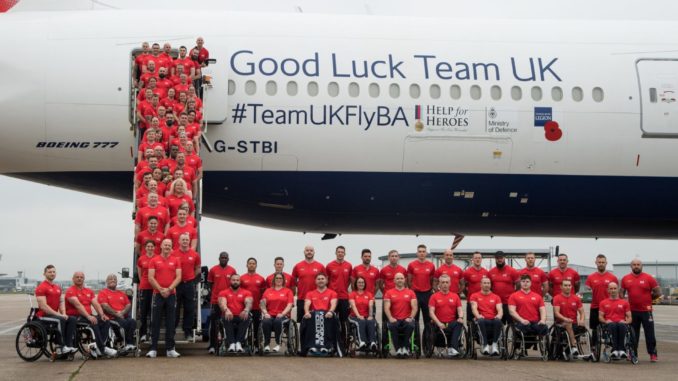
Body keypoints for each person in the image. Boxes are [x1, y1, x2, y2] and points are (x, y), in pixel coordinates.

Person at [65, 271, 117, 357]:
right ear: (73, 279)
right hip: (76, 316)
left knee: (105, 321)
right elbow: (78, 305)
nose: (79, 278)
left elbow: (96, 304)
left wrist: (101, 314)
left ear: (84, 279)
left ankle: (99, 347)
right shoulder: (70, 291)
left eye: (81, 277)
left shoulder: (89, 291)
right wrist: (88, 316)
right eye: (77, 277)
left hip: (87, 316)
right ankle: (102, 348)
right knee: (94, 321)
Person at [147, 239, 182, 358]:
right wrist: (161, 289)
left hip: (171, 294)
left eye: (169, 245)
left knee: (171, 322)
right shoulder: (154, 260)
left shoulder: (176, 260)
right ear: (161, 246)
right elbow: (151, 278)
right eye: (165, 245)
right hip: (158, 294)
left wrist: (169, 289)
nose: (167, 247)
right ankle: (153, 349)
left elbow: (179, 277)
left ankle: (170, 349)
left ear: (171, 247)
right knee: (155, 321)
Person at [621, 258, 661, 362]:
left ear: (641, 266)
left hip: (646, 311)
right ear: (631, 266)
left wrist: (648, 299)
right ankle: (633, 353)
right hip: (632, 311)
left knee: (650, 333)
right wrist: (625, 303)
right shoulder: (625, 278)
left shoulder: (649, 278)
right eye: (634, 264)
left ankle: (653, 353)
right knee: (633, 334)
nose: (636, 266)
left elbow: (658, 292)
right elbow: (621, 293)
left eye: (638, 264)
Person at [35, 265, 77, 355]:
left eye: (54, 272)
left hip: (54, 315)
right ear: (44, 273)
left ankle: (68, 345)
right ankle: (60, 346)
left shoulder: (57, 287)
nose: (52, 273)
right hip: (43, 316)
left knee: (72, 319)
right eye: (50, 272)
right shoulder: (41, 287)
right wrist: (59, 315)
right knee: (60, 319)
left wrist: (64, 313)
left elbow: (61, 302)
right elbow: (43, 307)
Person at [171, 233, 201, 341]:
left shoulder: (195, 254)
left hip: (189, 284)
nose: (184, 242)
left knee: (189, 308)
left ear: (189, 241)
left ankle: (187, 332)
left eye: (186, 240)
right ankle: (172, 330)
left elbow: (198, 268)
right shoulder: (173, 254)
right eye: (183, 240)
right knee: (175, 308)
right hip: (176, 284)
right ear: (178, 241)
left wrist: (191, 277)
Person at [207, 252, 237, 354]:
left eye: (225, 257)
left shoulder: (232, 270)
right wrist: (216, 295)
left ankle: (229, 343)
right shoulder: (213, 269)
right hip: (216, 301)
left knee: (228, 322)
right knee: (214, 324)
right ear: (219, 258)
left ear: (228, 259)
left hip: (229, 302)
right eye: (222, 257)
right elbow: (210, 284)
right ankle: (212, 345)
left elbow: (234, 284)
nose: (223, 259)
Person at [98, 274, 136, 352]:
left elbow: (128, 304)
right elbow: (104, 306)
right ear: (106, 282)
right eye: (110, 279)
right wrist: (116, 314)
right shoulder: (103, 292)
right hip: (111, 318)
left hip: (122, 316)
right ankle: (123, 343)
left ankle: (129, 344)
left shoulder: (121, 293)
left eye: (115, 279)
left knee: (132, 321)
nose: (113, 280)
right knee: (123, 322)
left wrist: (122, 313)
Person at [585, 254, 618, 343]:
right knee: (595, 329)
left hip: (609, 307)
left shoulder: (612, 277)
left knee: (610, 327)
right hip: (595, 306)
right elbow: (587, 289)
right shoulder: (590, 277)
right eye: (599, 262)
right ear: (596, 263)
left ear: (606, 263)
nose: (601, 264)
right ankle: (594, 349)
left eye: (603, 262)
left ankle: (612, 347)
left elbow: (616, 292)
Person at [428, 274, 464, 357]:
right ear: (439, 284)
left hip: (451, 323)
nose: (445, 284)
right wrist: (438, 323)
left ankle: (453, 348)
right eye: (443, 282)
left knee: (459, 323)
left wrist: (460, 317)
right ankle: (451, 348)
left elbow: (460, 309)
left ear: (450, 283)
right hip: (438, 323)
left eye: (447, 282)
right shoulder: (434, 296)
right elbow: (431, 312)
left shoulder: (455, 296)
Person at [302, 273, 338, 355]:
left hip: (327, 314)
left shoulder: (332, 293)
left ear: (326, 280)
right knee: (310, 318)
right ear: (315, 281)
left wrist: (330, 311)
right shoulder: (310, 293)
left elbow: (333, 304)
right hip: (314, 314)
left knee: (326, 317)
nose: (320, 280)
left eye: (322, 279)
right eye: (318, 279)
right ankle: (312, 345)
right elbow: (307, 304)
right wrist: (307, 312)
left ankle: (327, 346)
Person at [384, 273, 417, 357]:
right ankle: (398, 349)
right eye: (398, 279)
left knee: (410, 325)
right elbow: (386, 308)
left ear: (404, 280)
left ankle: (405, 347)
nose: (400, 280)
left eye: (401, 278)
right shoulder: (389, 293)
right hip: (394, 319)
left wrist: (411, 317)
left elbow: (414, 307)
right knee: (392, 326)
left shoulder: (411, 292)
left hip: (407, 319)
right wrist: (390, 318)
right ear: (394, 281)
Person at [218, 274, 253, 353]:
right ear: (230, 281)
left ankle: (238, 343)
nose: (235, 282)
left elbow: (249, 302)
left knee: (247, 317)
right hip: (229, 315)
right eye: (233, 280)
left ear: (240, 282)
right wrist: (226, 310)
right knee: (226, 318)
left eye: (237, 280)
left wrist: (246, 310)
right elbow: (222, 303)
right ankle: (232, 343)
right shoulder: (223, 292)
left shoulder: (246, 292)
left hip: (241, 315)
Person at [260, 273, 294, 353]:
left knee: (278, 321)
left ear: (283, 280)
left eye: (280, 278)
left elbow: (289, 305)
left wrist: (282, 314)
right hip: (270, 315)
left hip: (283, 316)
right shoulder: (268, 291)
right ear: (274, 280)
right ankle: (266, 344)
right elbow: (262, 303)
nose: (279, 280)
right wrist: (265, 313)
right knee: (265, 321)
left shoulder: (288, 291)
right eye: (277, 278)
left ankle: (278, 344)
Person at [470, 277, 503, 356]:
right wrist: (478, 316)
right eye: (484, 283)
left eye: (488, 283)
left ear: (490, 285)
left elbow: (500, 309)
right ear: (481, 285)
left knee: (498, 321)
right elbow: (474, 308)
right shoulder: (474, 296)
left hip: (493, 319)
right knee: (480, 320)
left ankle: (494, 345)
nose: (486, 285)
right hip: (482, 319)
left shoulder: (496, 297)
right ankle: (485, 345)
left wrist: (499, 316)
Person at [407, 244, 435, 336]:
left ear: (426, 253)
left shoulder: (431, 265)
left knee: (428, 319)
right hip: (415, 294)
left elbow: (431, 280)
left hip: (427, 294)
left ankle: (427, 340)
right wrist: (412, 291)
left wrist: (429, 290)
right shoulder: (411, 265)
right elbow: (409, 280)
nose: (422, 253)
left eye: (423, 251)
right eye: (420, 252)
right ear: (417, 253)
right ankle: (415, 342)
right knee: (415, 319)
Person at [552, 279, 586, 356]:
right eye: (565, 285)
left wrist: (582, 320)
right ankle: (574, 347)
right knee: (568, 323)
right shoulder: (557, 298)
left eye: (569, 285)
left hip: (574, 323)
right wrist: (565, 319)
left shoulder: (576, 298)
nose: (568, 287)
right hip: (561, 323)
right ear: (561, 287)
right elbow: (556, 313)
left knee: (580, 325)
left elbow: (582, 312)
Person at [509, 275, 548, 342]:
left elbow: (542, 310)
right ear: (520, 283)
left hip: (535, 322)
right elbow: (512, 311)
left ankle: (532, 338)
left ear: (531, 283)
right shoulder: (514, 296)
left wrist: (543, 320)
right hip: (521, 322)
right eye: (523, 281)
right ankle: (527, 341)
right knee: (525, 328)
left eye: (527, 281)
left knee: (544, 328)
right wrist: (522, 320)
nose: (525, 283)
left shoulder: (537, 296)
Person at [292, 245, 325, 322]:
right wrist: (300, 286)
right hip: (302, 298)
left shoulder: (320, 266)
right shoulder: (297, 266)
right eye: (307, 250)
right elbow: (293, 281)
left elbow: (325, 281)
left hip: (316, 298)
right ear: (304, 252)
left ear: (314, 252)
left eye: (311, 250)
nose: (309, 252)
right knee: (301, 321)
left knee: (316, 321)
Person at [599, 282, 632, 360]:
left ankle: (621, 350)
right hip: (609, 324)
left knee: (620, 325)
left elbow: (630, 317)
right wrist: (605, 321)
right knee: (613, 325)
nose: (613, 290)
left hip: (621, 324)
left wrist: (626, 322)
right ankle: (615, 350)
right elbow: (600, 317)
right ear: (608, 290)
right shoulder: (603, 303)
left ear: (618, 290)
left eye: (615, 288)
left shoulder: (624, 302)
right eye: (611, 289)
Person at [240, 258, 266, 349]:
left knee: (256, 326)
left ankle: (256, 343)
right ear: (246, 265)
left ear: (256, 265)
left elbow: (263, 293)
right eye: (250, 263)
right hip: (244, 308)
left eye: (253, 263)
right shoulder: (241, 278)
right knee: (244, 325)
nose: (251, 265)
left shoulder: (261, 279)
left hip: (256, 308)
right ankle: (243, 342)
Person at [488, 251, 519, 324]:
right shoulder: (491, 272)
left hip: (509, 303)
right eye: (497, 258)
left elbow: (518, 285)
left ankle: (514, 335)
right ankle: (499, 335)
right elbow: (489, 286)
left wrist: (513, 295)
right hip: (496, 303)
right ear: (495, 259)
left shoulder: (512, 271)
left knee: (512, 324)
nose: (499, 260)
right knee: (497, 324)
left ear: (504, 258)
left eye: (501, 258)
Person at [348, 276, 377, 351]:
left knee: (371, 322)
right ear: (356, 284)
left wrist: (370, 316)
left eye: (362, 282)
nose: (361, 284)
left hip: (366, 316)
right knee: (361, 322)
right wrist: (358, 315)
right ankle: (362, 342)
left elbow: (370, 305)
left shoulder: (369, 294)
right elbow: (353, 306)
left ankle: (372, 342)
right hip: (354, 316)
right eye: (359, 282)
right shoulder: (352, 294)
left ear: (365, 284)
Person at [326, 246, 353, 325]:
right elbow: (326, 281)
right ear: (336, 253)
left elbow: (350, 281)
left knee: (344, 320)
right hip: (332, 297)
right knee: (331, 319)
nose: (340, 253)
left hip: (344, 296)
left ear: (345, 253)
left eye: (342, 252)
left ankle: (343, 337)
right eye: (339, 252)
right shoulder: (329, 265)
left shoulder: (349, 265)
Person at [136, 240, 156, 342]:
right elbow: (140, 274)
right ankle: (143, 334)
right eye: (148, 246)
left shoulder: (157, 258)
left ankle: (152, 333)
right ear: (145, 248)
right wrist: (143, 282)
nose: (150, 248)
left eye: (152, 246)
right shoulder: (141, 259)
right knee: (143, 312)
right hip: (144, 288)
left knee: (154, 313)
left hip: (154, 289)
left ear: (154, 248)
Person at [463, 252, 489, 320]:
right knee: (470, 323)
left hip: (483, 302)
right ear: (473, 259)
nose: (478, 260)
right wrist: (469, 295)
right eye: (476, 258)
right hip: (471, 301)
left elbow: (489, 286)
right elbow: (463, 287)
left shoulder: (486, 272)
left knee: (483, 321)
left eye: (479, 258)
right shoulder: (467, 272)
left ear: (481, 259)